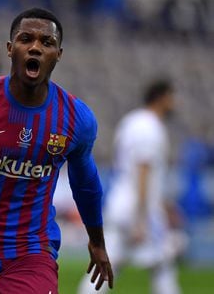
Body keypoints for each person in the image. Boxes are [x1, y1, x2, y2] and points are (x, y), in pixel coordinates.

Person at [0, 7, 113, 294]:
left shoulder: (76, 119)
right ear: (9, 48)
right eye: (26, 39)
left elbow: (85, 184)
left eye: (47, 42)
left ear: (58, 54)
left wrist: (97, 241)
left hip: (30, 253)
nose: (36, 48)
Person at [78, 79, 184, 294]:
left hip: (121, 201)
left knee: (109, 263)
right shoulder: (150, 126)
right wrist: (141, 218)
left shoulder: (131, 121)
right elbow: (143, 170)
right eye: (171, 97)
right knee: (162, 266)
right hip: (138, 207)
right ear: (162, 97)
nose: (174, 102)